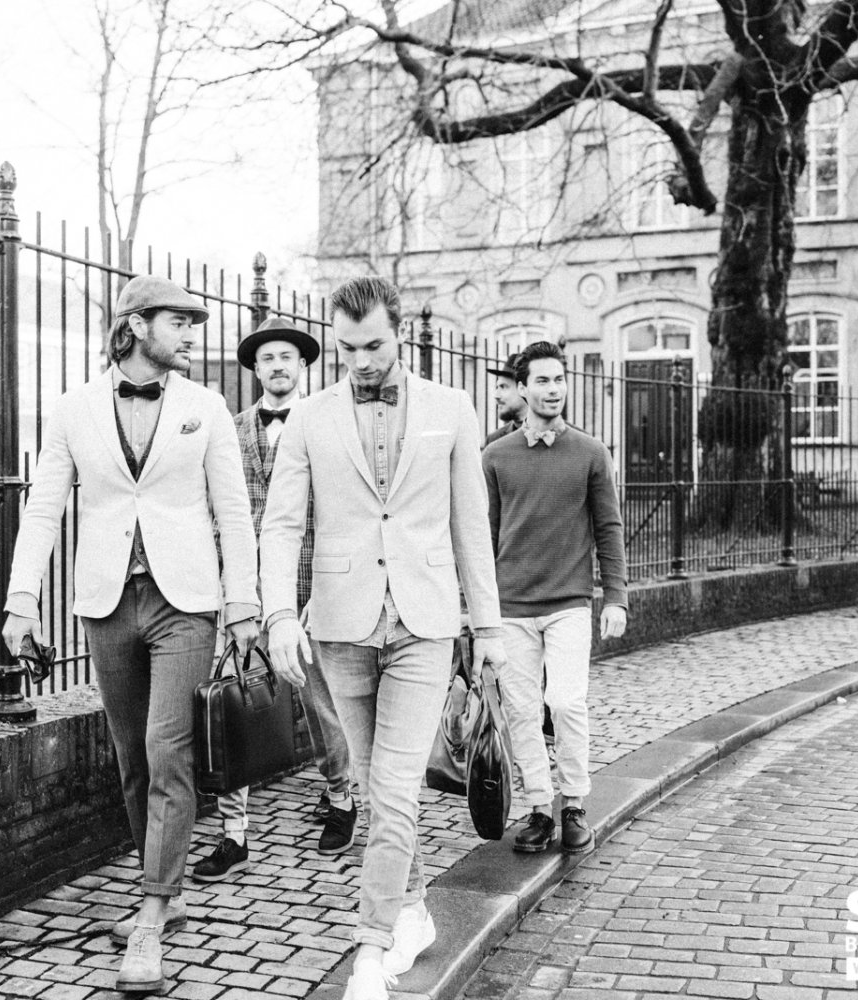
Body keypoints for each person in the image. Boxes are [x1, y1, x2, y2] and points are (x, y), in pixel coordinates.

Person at [0, 275, 259, 994]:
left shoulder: (207, 407)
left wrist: (243, 601)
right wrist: (22, 600)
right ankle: (165, 892)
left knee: (168, 748)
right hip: (107, 601)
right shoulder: (73, 409)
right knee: (132, 758)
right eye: (179, 321)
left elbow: (234, 512)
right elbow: (44, 507)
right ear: (137, 325)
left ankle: (149, 915)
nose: (191, 334)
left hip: (186, 603)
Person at [262, 276, 506, 1000]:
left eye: (373, 345)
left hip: (425, 624)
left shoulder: (450, 408)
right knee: (377, 791)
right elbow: (282, 524)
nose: (362, 361)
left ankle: (369, 954)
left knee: (396, 789)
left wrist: (488, 626)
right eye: (347, 348)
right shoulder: (309, 418)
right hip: (340, 626)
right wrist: (279, 614)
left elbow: (471, 526)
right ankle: (414, 912)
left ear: (399, 331)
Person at [191, 315, 359, 882]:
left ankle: (340, 797)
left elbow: (341, 511)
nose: (278, 366)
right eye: (267, 358)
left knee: (320, 704)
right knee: (231, 704)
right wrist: (230, 587)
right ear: (256, 369)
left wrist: (327, 587)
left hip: (310, 588)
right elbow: (217, 509)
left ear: (303, 364)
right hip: (243, 592)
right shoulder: (231, 428)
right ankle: (233, 833)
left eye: (287, 356)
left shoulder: (327, 424)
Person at [481, 340, 628, 856]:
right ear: (522, 389)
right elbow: (483, 537)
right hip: (511, 609)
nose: (553, 389)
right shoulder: (494, 457)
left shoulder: (590, 453)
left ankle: (575, 805)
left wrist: (616, 597)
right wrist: (477, 612)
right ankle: (541, 809)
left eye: (559, 379)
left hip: (569, 603)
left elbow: (609, 528)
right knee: (522, 711)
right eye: (542, 380)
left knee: (565, 702)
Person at [483, 353, 526, 447]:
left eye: (503, 387)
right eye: (497, 387)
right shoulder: (493, 440)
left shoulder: (553, 436)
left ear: (523, 389)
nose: (496, 395)